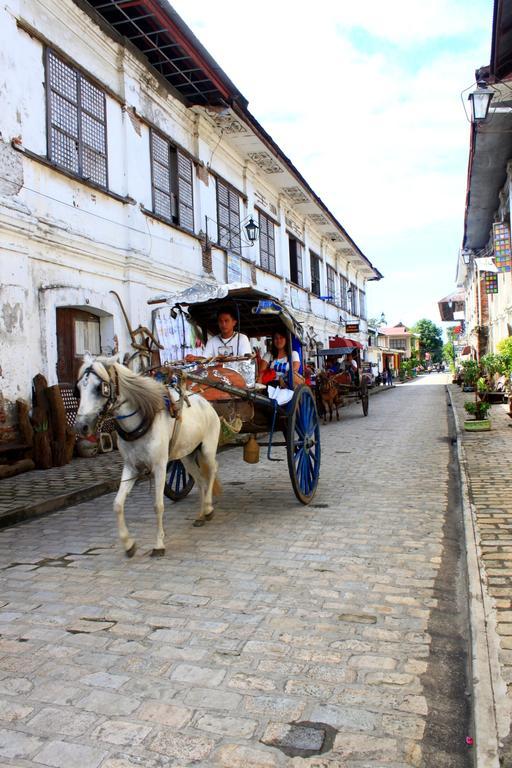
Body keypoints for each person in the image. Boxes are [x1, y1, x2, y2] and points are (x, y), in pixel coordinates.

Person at [186, 306, 251, 362]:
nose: (223, 324)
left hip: (236, 375)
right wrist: (195, 358)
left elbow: (246, 361)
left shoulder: (242, 339)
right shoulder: (212, 341)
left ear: (234, 322)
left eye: (226, 321)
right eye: (220, 321)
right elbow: (205, 359)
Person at [258, 331, 303, 402]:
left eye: (281, 338)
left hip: (287, 385)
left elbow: (295, 369)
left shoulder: (293, 354)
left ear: (286, 339)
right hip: (271, 385)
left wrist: (283, 378)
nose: (278, 340)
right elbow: (261, 372)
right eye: (276, 338)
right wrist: (259, 385)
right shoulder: (269, 354)